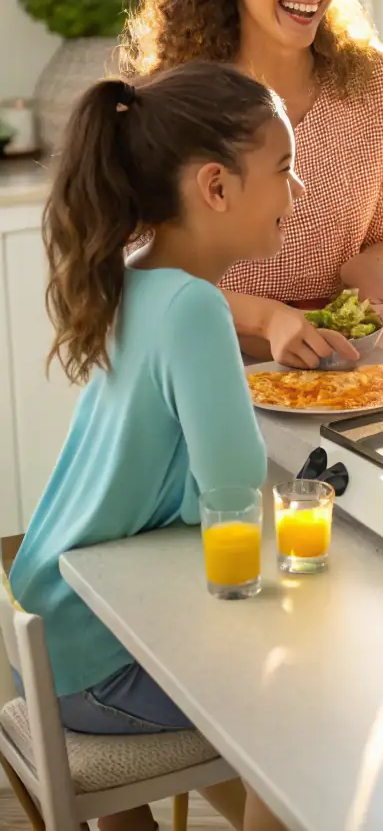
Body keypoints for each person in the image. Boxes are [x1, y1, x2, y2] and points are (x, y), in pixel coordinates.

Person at [7, 63, 295, 831]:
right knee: (300, 696)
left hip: (48, 633)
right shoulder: (195, 305)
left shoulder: (135, 281)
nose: (293, 196)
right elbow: (235, 500)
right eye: (284, 170)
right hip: (99, 666)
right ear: (216, 186)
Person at [124, 0, 383, 370]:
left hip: (344, 366)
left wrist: (368, 265)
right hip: (201, 362)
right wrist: (266, 318)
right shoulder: (176, 103)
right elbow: (138, 278)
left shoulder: (380, 85)